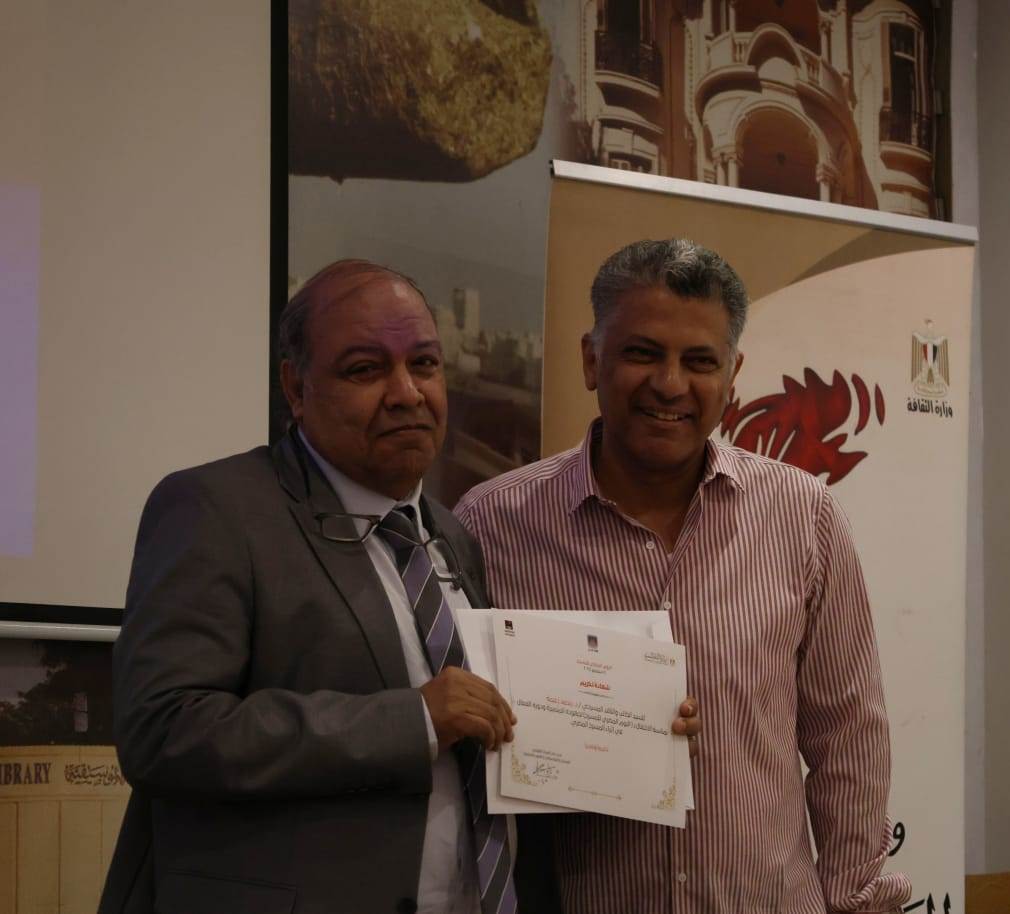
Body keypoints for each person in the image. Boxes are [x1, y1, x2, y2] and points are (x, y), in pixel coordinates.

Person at [98, 257, 704, 914]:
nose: (407, 393)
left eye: (424, 364)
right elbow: (164, 730)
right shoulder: (217, 509)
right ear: (296, 387)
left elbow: (480, 725)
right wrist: (411, 720)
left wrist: (629, 726)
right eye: (365, 369)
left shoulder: (452, 534)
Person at [455, 239, 911, 914]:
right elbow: (461, 745)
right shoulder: (492, 525)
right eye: (643, 353)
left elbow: (848, 737)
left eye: (700, 361)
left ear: (733, 374)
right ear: (591, 359)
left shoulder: (803, 516)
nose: (670, 384)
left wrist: (854, 903)